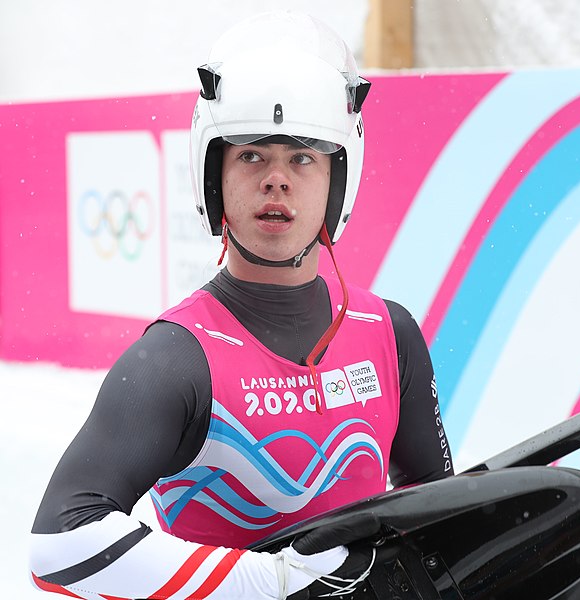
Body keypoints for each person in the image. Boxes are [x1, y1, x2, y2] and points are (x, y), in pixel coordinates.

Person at [30, 10, 453, 600]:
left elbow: (440, 526)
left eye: (303, 156)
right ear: (213, 176)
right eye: (251, 155)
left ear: (338, 180)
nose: (276, 179)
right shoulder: (176, 359)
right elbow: (60, 545)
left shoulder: (389, 333)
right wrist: (272, 581)